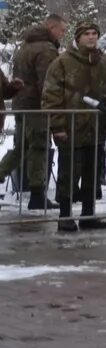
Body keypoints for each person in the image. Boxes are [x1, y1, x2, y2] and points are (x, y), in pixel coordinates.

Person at [41, 20, 106, 230]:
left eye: (94, 33)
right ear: (78, 37)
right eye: (87, 34)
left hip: (96, 128)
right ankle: (65, 215)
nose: (91, 37)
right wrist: (57, 126)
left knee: (92, 173)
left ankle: (88, 215)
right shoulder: (62, 62)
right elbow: (51, 96)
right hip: (70, 128)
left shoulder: (105, 62)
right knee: (69, 173)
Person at [0, 12, 64, 209]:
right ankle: (37, 194)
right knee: (38, 147)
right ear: (52, 28)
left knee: (20, 149)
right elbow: (48, 81)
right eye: (62, 30)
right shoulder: (46, 49)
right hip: (37, 107)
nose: (63, 34)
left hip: (22, 105)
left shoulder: (25, 46)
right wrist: (54, 106)